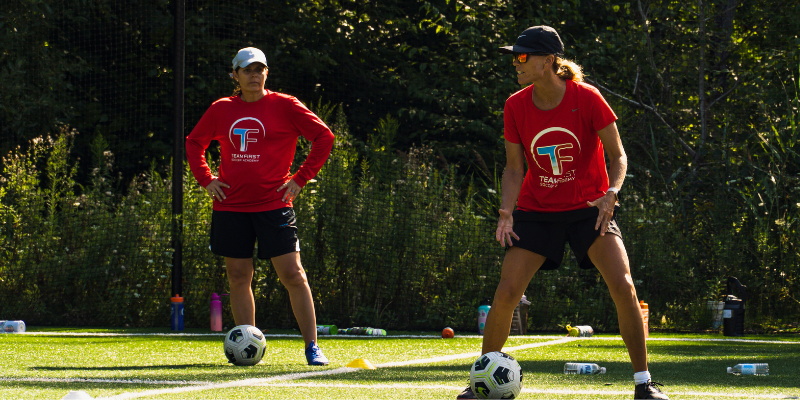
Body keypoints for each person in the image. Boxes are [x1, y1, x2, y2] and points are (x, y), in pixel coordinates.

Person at [456, 27, 669, 399]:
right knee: (506, 292)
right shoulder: (515, 105)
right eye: (515, 56)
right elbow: (513, 169)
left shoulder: (587, 98)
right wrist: (506, 212)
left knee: (624, 287)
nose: (516, 63)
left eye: (523, 57)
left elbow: (618, 156)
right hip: (537, 211)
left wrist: (611, 194)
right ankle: (480, 385)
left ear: (548, 61)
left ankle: (644, 384)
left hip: (590, 210)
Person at [186, 47, 335, 366]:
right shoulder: (221, 109)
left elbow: (324, 137)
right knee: (238, 276)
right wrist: (206, 179)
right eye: (247, 70)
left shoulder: (286, 105)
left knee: (293, 274)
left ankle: (312, 347)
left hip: (274, 205)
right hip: (230, 206)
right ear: (235, 76)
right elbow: (194, 142)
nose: (254, 75)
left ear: (267, 73)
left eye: (259, 69)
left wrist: (301, 178)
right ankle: (249, 345)